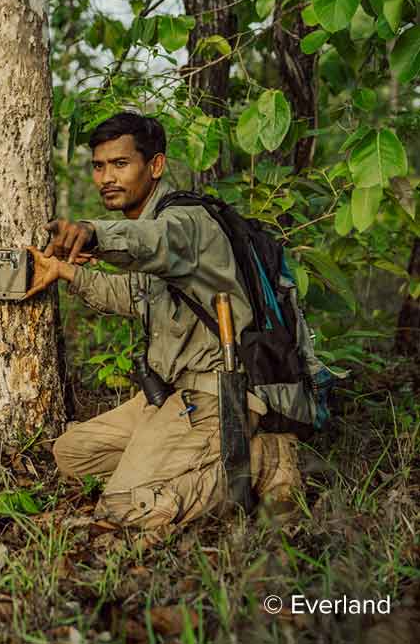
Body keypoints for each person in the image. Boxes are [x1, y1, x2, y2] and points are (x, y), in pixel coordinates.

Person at [25, 112, 302, 529]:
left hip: (216, 397)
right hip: (169, 397)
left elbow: (148, 242)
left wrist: (92, 233)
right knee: (72, 453)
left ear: (155, 166)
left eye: (121, 164)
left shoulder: (183, 223)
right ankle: (193, 459)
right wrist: (65, 272)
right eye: (99, 166)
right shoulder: (151, 226)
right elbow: (133, 297)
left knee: (124, 506)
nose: (106, 178)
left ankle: (263, 461)